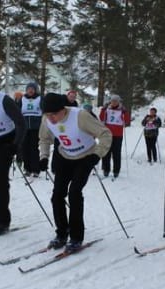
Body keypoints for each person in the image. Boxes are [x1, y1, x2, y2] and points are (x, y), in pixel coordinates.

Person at [38, 93, 112, 252]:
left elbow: (105, 134)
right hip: (65, 156)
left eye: (54, 114)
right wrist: (44, 156)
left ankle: (76, 237)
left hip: (85, 158)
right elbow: (44, 138)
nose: (51, 119)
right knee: (57, 195)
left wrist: (96, 154)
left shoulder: (80, 116)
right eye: (47, 115)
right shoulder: (47, 120)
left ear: (62, 109)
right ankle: (62, 233)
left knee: (74, 193)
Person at [0, 73, 26, 234]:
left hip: (5, 144)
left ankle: (3, 221)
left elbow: (21, 124)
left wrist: (15, 145)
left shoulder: (4, 100)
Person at [17, 82, 43, 177]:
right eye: (29, 89)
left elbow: (44, 110)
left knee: (34, 148)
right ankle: (27, 169)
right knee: (25, 148)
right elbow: (17, 110)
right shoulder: (22, 99)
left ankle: (35, 169)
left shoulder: (40, 98)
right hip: (24, 127)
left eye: (32, 89)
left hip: (36, 127)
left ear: (35, 90)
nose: (30, 91)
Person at [50, 90, 78, 173]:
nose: (72, 98)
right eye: (71, 96)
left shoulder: (75, 104)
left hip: (70, 129)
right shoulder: (61, 102)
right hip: (60, 127)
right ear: (67, 96)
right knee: (57, 148)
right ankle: (55, 168)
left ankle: (66, 167)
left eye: (74, 97)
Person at [99, 95, 126, 178]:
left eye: (116, 101)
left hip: (118, 134)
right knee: (106, 152)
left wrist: (125, 113)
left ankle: (116, 171)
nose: (114, 102)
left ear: (118, 102)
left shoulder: (122, 109)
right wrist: (103, 109)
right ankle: (106, 170)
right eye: (112, 101)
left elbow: (127, 121)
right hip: (107, 134)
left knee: (116, 153)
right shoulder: (107, 109)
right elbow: (101, 118)